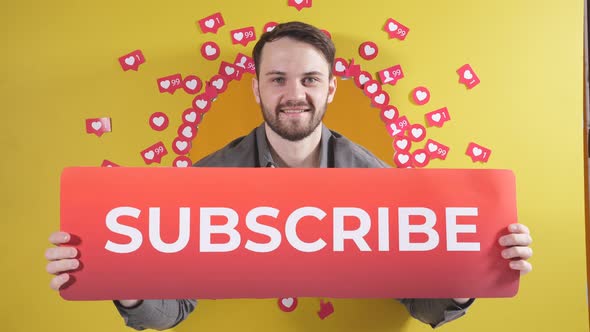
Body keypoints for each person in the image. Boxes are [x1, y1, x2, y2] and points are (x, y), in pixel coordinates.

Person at [45, 21, 533, 330]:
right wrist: (124, 283)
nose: (294, 93)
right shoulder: (203, 182)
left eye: (310, 79)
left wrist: (473, 273)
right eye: (278, 79)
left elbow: (423, 306)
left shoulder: (380, 183)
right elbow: (169, 312)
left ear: (331, 89)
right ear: (256, 88)